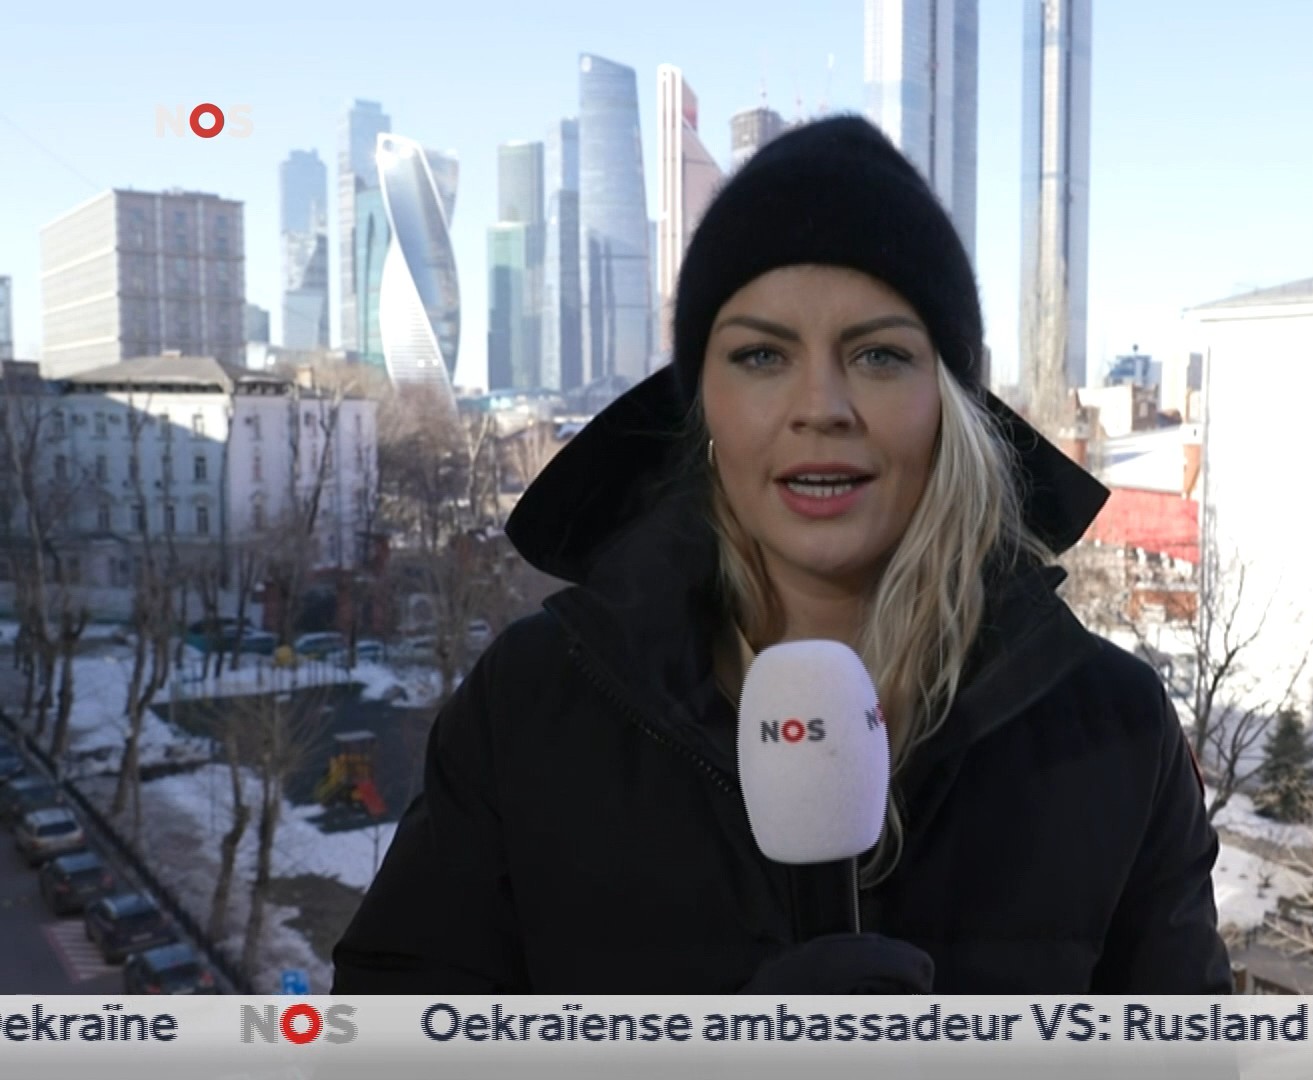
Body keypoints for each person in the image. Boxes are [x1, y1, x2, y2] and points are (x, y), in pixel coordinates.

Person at [332, 116, 1232, 994]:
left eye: (879, 355)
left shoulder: (1116, 731)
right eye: (762, 355)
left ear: (949, 402)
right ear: (702, 402)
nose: (820, 407)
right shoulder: (529, 707)